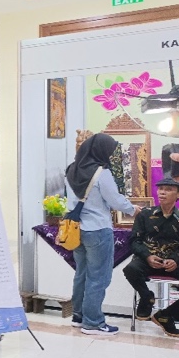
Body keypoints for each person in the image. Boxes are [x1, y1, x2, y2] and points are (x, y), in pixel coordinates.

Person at [66, 133, 139, 335]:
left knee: (82, 274)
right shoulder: (101, 172)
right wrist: (133, 209)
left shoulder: (72, 169)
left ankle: (78, 316)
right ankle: (93, 322)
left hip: (76, 230)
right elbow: (115, 200)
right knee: (99, 277)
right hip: (97, 229)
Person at [121, 178, 179, 326]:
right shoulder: (145, 214)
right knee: (130, 269)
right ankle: (147, 296)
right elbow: (134, 241)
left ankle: (166, 315)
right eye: (160, 189)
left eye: (168, 189)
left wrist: (175, 259)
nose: (162, 192)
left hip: (174, 262)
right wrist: (147, 256)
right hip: (148, 260)